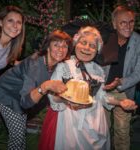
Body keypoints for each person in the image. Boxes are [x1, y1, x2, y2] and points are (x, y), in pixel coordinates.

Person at [38, 26, 137, 150]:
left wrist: (120, 102)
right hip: (70, 121)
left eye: (92, 46)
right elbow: (53, 97)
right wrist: (66, 100)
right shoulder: (63, 67)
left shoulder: (98, 70)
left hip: (96, 120)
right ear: (75, 44)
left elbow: (101, 96)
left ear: (97, 50)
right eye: (83, 42)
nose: (87, 48)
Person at [0, 30, 72, 150]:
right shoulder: (35, 65)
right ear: (48, 47)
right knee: (17, 135)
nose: (61, 49)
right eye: (56, 45)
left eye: (64, 46)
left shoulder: (57, 64)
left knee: (20, 132)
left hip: (21, 96)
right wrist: (45, 86)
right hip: (7, 94)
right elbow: (25, 103)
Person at [103, 5, 140, 150]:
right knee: (102, 130)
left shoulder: (138, 41)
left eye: (131, 22)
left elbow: (138, 72)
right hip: (103, 91)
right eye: (123, 22)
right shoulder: (105, 38)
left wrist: (120, 82)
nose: (128, 26)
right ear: (114, 24)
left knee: (122, 132)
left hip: (124, 91)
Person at [0, 5, 25, 138]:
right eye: (10, 20)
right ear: (0, 22)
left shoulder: (11, 46)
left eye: (19, 22)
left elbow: (12, 62)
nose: (15, 25)